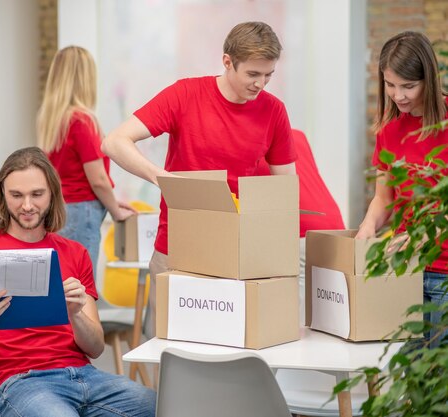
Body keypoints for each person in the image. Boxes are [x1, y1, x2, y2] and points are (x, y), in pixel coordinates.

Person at [101, 21, 297, 336]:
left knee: (234, 350)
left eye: (268, 76)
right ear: (227, 62)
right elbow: (114, 142)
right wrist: (164, 179)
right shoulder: (185, 94)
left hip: (238, 253)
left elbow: (284, 191)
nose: (260, 84)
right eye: (252, 75)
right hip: (178, 248)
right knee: (172, 349)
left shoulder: (274, 111)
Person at [0, 147, 156, 417]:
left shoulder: (75, 253)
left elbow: (95, 349)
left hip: (85, 376)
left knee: (162, 405)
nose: (27, 205)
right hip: (21, 382)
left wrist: (75, 314)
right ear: (3, 194)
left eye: (37, 194)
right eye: (16, 195)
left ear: (52, 194)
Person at [356, 31, 448, 346]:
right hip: (405, 271)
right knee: (412, 377)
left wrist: (423, 235)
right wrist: (369, 225)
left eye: (409, 86)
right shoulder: (390, 132)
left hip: (443, 273)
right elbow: (384, 198)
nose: (399, 95)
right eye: (390, 85)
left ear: (430, 80)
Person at [38, 46, 135, 277]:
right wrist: (116, 210)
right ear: (84, 78)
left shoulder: (51, 119)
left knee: (62, 282)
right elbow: (98, 179)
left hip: (59, 209)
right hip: (82, 212)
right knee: (80, 284)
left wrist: (114, 204)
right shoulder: (82, 120)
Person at [255, 128, 346, 323]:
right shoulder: (297, 134)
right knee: (331, 310)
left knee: (297, 321)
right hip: (334, 224)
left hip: (301, 231)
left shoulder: (248, 141)